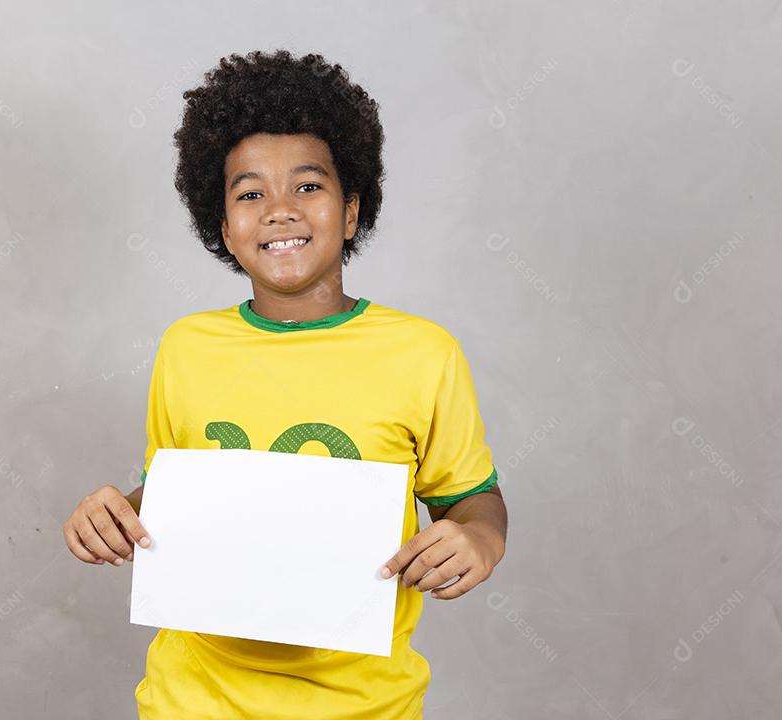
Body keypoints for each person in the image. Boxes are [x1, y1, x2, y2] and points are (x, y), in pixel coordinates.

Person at [62, 48, 509, 720]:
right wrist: (116, 513)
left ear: (352, 210)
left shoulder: (422, 353)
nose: (278, 210)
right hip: (192, 701)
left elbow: (473, 503)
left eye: (307, 186)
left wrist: (478, 541)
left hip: (366, 706)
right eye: (249, 193)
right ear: (224, 227)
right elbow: (178, 490)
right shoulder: (187, 347)